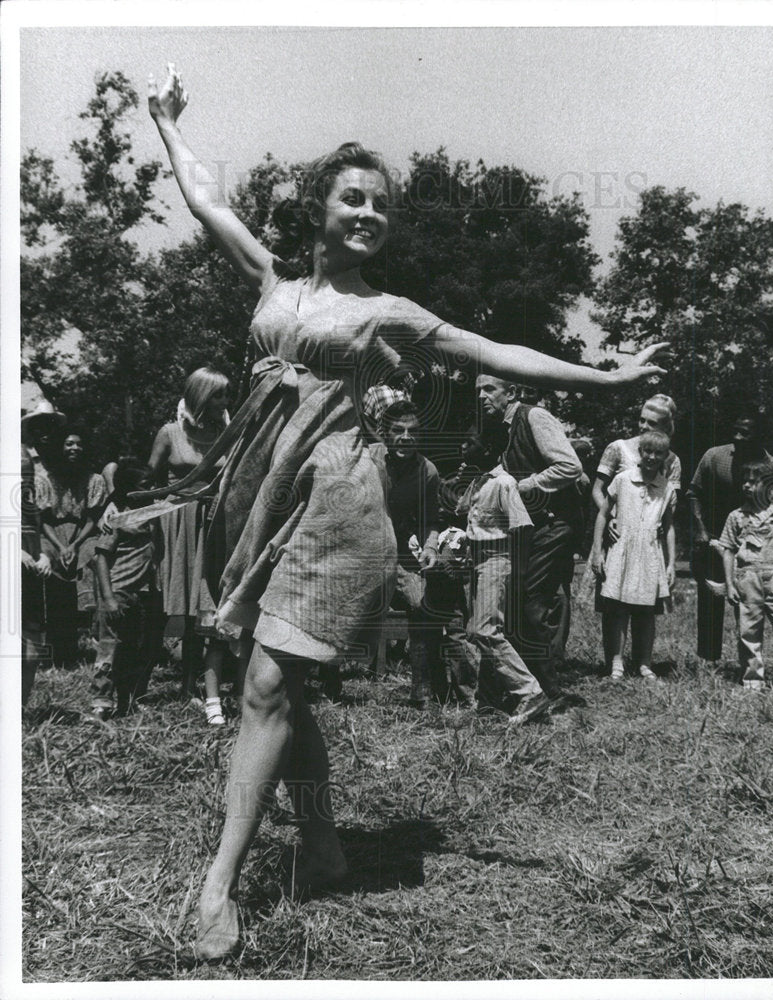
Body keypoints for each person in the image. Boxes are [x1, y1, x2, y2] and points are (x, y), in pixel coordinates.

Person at [145, 63, 667, 959]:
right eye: (351, 198)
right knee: (285, 692)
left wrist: (608, 377)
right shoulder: (272, 283)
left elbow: (496, 352)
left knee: (267, 688)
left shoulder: (386, 311)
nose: (367, 214)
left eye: (380, 205)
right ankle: (322, 842)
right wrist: (165, 124)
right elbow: (201, 198)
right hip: (258, 501)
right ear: (317, 209)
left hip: (340, 510)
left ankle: (218, 885)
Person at [476, 375, 583, 699]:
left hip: (555, 523)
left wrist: (525, 486)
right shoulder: (500, 428)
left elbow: (569, 466)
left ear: (511, 392)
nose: (481, 396)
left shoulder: (534, 416)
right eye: (478, 391)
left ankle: (549, 690)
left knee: (532, 601)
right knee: (518, 602)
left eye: (489, 389)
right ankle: (523, 687)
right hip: (531, 527)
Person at [147, 366, 233, 723]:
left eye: (226, 395)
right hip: (174, 521)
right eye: (218, 395)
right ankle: (136, 682)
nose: (225, 402)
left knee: (202, 604)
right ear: (200, 396)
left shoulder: (225, 433)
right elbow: (148, 476)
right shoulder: (170, 432)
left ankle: (188, 684)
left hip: (210, 523)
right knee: (167, 604)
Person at [455, 430, 552, 722]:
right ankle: (489, 700)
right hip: (478, 561)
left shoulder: (504, 483)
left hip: (498, 560)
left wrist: (519, 572)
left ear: (487, 451)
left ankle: (529, 692)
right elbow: (459, 510)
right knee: (476, 631)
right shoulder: (477, 482)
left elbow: (522, 527)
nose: (462, 446)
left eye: (469, 443)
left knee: (486, 630)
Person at [590, 394, 680, 675]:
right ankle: (614, 661)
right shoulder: (618, 448)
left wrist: (670, 560)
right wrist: (612, 523)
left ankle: (643, 661)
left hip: (649, 542)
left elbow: (666, 512)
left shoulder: (672, 460)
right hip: (618, 537)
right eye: (641, 418)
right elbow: (598, 491)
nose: (643, 425)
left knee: (646, 605)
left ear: (665, 426)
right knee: (615, 603)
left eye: (652, 422)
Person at [368, 400, 445, 706]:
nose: (405, 437)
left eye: (412, 431)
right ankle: (328, 681)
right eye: (397, 430)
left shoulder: (427, 471)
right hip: (361, 549)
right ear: (383, 433)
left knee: (420, 602)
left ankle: (423, 690)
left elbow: (431, 522)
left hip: (399, 553)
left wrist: (429, 549)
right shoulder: (367, 459)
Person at [686, 416, 773, 663]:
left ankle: (747, 664)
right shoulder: (714, 456)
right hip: (715, 539)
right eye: (735, 432)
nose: (737, 438)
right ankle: (708, 660)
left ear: (759, 436)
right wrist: (700, 529)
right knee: (710, 600)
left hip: (754, 550)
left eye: (745, 433)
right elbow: (694, 493)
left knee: (748, 607)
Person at [91, 461, 165, 719]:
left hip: (141, 593)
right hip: (118, 591)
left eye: (154, 484)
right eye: (146, 486)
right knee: (109, 647)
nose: (153, 489)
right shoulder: (117, 518)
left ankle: (127, 699)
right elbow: (100, 557)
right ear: (129, 489)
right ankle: (101, 701)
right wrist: (108, 597)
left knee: (133, 648)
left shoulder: (151, 513)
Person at [36, 429, 107, 670]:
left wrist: (75, 545)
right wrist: (61, 546)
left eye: (78, 444)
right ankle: (56, 648)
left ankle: (96, 636)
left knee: (94, 558)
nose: (74, 448)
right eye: (68, 444)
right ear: (60, 448)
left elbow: (93, 518)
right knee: (50, 568)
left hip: (83, 534)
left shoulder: (94, 480)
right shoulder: (46, 479)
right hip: (53, 534)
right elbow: (42, 520)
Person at [719, 460, 773, 690]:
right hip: (747, 579)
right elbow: (728, 551)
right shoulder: (736, 516)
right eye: (744, 481)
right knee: (748, 631)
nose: (746, 486)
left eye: (753, 482)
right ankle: (753, 680)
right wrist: (729, 583)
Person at [21, 440, 52, 705]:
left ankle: (19, 707)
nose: (23, 479)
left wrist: (43, 556)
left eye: (27, 474)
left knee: (31, 654)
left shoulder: (30, 507)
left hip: (29, 582)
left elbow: (39, 540)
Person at [361, 360, 421, 440]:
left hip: (405, 437)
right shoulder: (375, 391)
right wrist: (379, 440)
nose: (414, 380)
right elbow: (365, 419)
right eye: (412, 376)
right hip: (384, 439)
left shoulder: (407, 391)